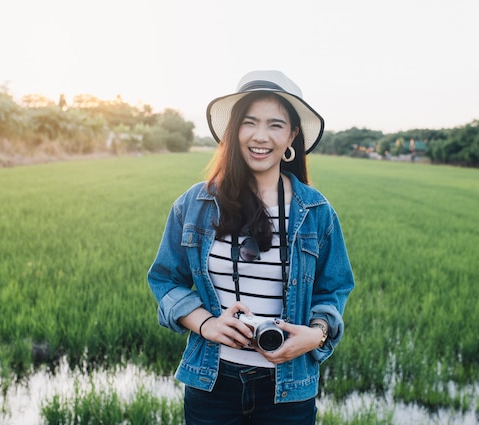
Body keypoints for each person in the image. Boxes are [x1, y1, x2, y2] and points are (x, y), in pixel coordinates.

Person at [147, 70, 355, 424]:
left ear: (292, 135)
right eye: (249, 123)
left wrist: (316, 334)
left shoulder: (316, 213)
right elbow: (166, 279)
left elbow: (333, 288)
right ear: (234, 132)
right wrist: (207, 325)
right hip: (211, 384)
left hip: (287, 389)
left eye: (275, 125)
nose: (261, 136)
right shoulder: (194, 205)